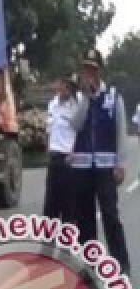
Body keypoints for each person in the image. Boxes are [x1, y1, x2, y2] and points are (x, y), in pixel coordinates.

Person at [71, 49, 131, 275]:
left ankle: (120, 262)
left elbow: (120, 133)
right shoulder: (78, 97)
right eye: (86, 69)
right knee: (84, 219)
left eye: (93, 69)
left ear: (99, 71)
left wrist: (120, 164)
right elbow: (75, 125)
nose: (89, 73)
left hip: (106, 167)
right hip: (82, 167)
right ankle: (89, 265)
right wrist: (86, 99)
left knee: (110, 215)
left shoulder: (113, 96)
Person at [43, 75, 87, 222]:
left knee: (69, 206)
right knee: (50, 204)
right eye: (66, 85)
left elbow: (81, 132)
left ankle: (67, 240)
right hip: (54, 158)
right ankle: (48, 240)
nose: (68, 90)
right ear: (59, 85)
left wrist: (75, 152)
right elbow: (49, 129)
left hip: (69, 159)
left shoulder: (77, 105)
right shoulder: (52, 104)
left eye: (71, 87)